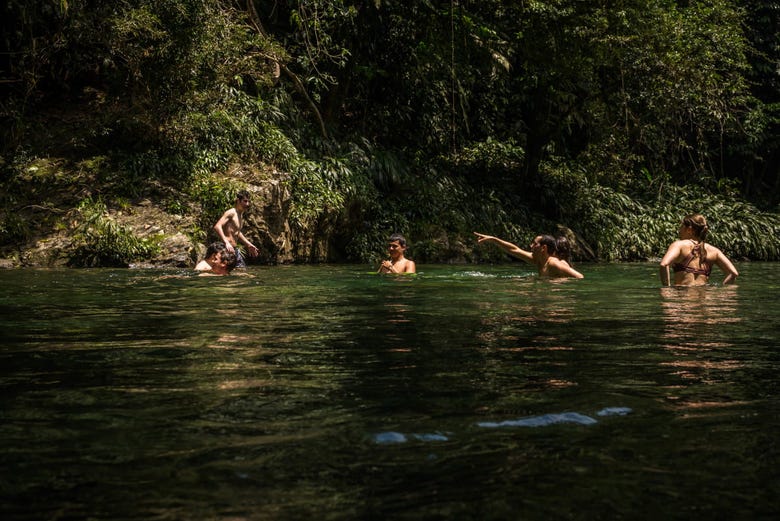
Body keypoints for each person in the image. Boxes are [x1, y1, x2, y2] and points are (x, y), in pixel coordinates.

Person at [659, 213, 738, 286]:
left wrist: (667, 289)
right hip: (704, 299)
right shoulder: (714, 251)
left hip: (683, 298)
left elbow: (664, 264)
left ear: (689, 230)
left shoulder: (679, 245)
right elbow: (733, 273)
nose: (679, 230)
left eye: (681, 227)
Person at [473, 232, 584, 279]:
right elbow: (514, 249)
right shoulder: (538, 260)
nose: (531, 245)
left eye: (534, 244)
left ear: (543, 248)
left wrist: (560, 282)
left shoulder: (554, 264)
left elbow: (580, 277)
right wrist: (493, 239)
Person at [213, 190, 260, 268]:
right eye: (245, 201)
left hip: (234, 249)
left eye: (248, 201)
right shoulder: (231, 212)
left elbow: (237, 232)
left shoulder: (240, 215)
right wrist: (226, 242)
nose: (247, 204)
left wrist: (248, 244)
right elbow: (217, 226)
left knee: (240, 271)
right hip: (226, 249)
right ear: (238, 201)